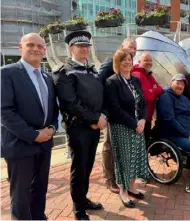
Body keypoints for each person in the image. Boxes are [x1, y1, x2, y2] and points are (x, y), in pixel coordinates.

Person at [1, 33, 59, 220]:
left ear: (44, 51)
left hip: (44, 144)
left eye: (40, 46)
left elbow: (53, 108)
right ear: (20, 47)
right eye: (30, 45)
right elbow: (5, 112)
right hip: (20, 144)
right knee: (20, 194)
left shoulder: (47, 77)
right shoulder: (6, 73)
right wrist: (33, 134)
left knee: (40, 188)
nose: (35, 49)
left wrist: (52, 128)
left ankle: (39, 217)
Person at [53, 30, 106, 220]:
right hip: (78, 129)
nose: (84, 48)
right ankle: (78, 208)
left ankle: (83, 198)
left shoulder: (92, 70)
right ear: (70, 48)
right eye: (80, 45)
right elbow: (70, 103)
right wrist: (95, 119)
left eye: (86, 46)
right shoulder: (64, 72)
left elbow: (102, 97)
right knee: (79, 168)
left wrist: (103, 116)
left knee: (89, 165)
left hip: (94, 127)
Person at [104, 49, 149, 208]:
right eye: (123, 59)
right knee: (124, 159)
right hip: (121, 127)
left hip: (138, 126)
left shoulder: (136, 80)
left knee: (135, 157)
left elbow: (143, 103)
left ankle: (131, 186)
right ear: (117, 62)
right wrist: (134, 123)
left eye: (129, 59)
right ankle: (123, 191)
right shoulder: (112, 82)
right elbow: (115, 109)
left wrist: (143, 119)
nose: (127, 62)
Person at [99, 38, 137, 193]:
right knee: (109, 145)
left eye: (135, 49)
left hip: (124, 115)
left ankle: (120, 177)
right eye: (130, 47)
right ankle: (109, 179)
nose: (133, 51)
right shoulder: (110, 62)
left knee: (119, 147)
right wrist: (103, 111)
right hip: (110, 113)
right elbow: (98, 84)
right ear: (121, 47)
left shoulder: (128, 64)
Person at [131, 52, 163, 146]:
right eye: (146, 60)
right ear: (140, 61)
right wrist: (154, 89)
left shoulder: (148, 74)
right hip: (140, 117)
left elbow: (159, 88)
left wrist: (153, 89)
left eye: (150, 60)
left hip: (147, 116)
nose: (149, 62)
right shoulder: (137, 74)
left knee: (145, 144)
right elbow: (147, 96)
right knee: (140, 145)